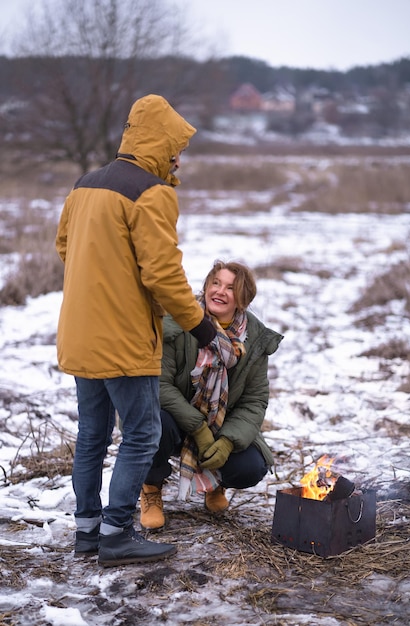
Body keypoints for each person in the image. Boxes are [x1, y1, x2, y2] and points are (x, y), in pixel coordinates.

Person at [55, 94, 216, 568]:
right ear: (161, 143)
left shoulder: (85, 185)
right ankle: (117, 534)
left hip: (81, 333)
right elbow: (163, 275)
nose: (179, 158)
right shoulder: (151, 193)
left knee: (92, 435)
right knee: (142, 435)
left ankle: (88, 533)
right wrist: (203, 329)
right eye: (176, 148)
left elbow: (65, 246)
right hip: (124, 340)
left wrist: (102, 280)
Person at [139, 260, 283, 530]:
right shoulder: (178, 320)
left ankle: (215, 483)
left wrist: (227, 441)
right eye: (215, 283)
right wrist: (198, 428)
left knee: (251, 465)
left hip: (219, 424)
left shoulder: (254, 339)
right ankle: (150, 487)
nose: (220, 291)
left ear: (243, 299)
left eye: (230, 287)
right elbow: (159, 384)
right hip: (175, 418)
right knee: (153, 421)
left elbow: (254, 400)